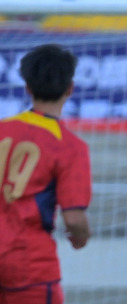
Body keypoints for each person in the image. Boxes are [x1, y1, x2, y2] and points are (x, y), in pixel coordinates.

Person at [0, 44, 92, 304]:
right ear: (70, 88)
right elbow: (74, 219)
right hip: (28, 263)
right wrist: (81, 238)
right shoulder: (70, 146)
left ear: (28, 87)